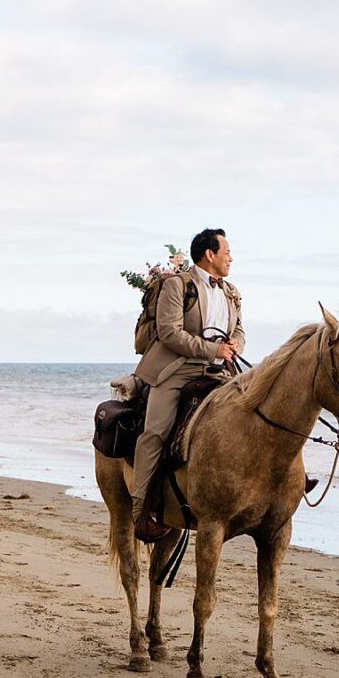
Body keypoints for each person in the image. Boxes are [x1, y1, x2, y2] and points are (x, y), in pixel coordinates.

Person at [130, 227, 245, 543]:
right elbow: (169, 333)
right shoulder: (177, 286)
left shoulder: (231, 292)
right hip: (176, 371)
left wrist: (234, 344)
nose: (231, 258)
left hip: (221, 371)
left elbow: (241, 332)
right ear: (210, 254)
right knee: (154, 433)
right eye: (227, 252)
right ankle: (141, 513)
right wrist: (213, 349)